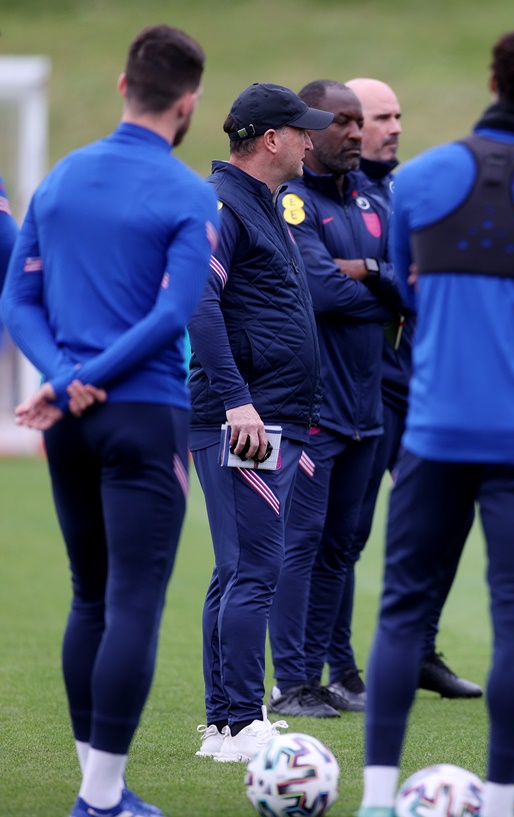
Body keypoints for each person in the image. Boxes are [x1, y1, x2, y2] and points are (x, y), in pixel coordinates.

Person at [356, 25, 514, 817]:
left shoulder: (421, 179)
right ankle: (498, 804)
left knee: (400, 616)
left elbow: (406, 285)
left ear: (493, 78)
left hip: (431, 436)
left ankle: (372, 799)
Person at [0, 25, 215, 817]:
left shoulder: (59, 178)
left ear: (125, 87)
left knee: (88, 595)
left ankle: (101, 785)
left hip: (68, 423)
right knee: (131, 602)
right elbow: (172, 312)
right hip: (144, 414)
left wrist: (61, 378)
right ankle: (99, 799)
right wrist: (86, 376)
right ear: (188, 104)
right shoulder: (191, 194)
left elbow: (15, 299)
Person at [188, 82, 332, 762]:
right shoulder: (224, 205)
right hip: (247, 420)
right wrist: (238, 401)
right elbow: (200, 301)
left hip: (267, 413)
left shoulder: (261, 204)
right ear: (271, 139)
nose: (313, 139)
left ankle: (224, 722)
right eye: (303, 130)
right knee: (254, 570)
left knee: (236, 568)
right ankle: (244, 721)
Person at [327, 76, 482, 706]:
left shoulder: (412, 186)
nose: (392, 127)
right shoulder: (334, 191)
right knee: (349, 531)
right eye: (378, 117)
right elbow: (331, 278)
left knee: (449, 519)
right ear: (348, 124)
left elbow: (430, 273)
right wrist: (389, 279)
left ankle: (419, 647)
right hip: (370, 386)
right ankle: (336, 664)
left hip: (431, 382)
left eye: (397, 115)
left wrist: (372, 270)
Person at [263, 79, 401, 719]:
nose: (353, 133)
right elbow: (321, 291)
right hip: (312, 410)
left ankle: (318, 676)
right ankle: (291, 680)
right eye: (340, 123)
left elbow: (414, 282)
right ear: (310, 131)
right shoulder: (292, 204)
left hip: (366, 409)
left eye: (357, 122)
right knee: (302, 543)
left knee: (343, 546)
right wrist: (382, 286)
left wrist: (370, 273)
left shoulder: (375, 201)